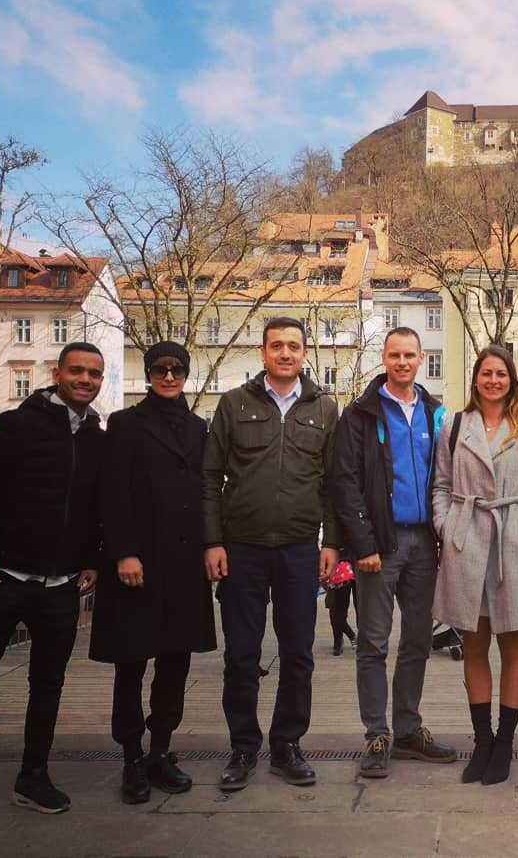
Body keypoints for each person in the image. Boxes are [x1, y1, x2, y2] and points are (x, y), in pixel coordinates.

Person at [0, 343, 105, 836]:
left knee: (47, 688)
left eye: (94, 373)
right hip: (4, 579)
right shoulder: (16, 425)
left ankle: (33, 777)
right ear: (58, 373)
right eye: (77, 371)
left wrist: (92, 558)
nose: (86, 380)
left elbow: (96, 506)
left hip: (61, 585)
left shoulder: (96, 436)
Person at [202, 317, 341, 792]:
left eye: (294, 346)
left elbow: (334, 484)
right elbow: (210, 476)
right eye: (276, 345)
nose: (285, 353)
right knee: (242, 654)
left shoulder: (324, 408)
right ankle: (243, 746)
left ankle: (286, 744)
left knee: (298, 653)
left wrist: (332, 544)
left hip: (301, 551)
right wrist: (213, 541)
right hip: (242, 549)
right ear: (262, 353)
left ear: (305, 353)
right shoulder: (234, 403)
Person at [89, 341, 216, 804]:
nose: (168, 376)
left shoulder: (199, 428)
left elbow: (207, 493)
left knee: (174, 663)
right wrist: (124, 551)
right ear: (148, 373)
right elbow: (113, 494)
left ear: (186, 373)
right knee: (131, 663)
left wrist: (211, 546)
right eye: (160, 369)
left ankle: (161, 750)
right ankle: (131, 757)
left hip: (182, 566)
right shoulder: (124, 425)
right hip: (137, 564)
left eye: (176, 369)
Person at [332, 327, 457, 779]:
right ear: (383, 358)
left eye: (410, 354)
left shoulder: (435, 413)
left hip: (425, 542)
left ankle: (407, 729)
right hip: (379, 546)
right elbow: (344, 482)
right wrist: (362, 544)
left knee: (419, 639)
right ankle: (377, 734)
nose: (403, 362)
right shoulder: (361, 414)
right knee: (373, 641)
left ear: (422, 358)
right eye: (395, 355)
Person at [432, 345, 518, 785]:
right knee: (475, 645)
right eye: (486, 373)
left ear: (512, 380)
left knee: (513, 647)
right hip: (467, 544)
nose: (493, 381)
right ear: (476, 379)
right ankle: (482, 741)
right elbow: (442, 485)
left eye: (501, 374)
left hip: (511, 546)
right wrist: (447, 525)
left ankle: (504, 743)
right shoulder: (455, 425)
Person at [324, 574, 356, 655]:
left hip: (346, 576)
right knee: (333, 616)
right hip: (331, 578)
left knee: (340, 615)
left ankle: (341, 641)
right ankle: (344, 639)